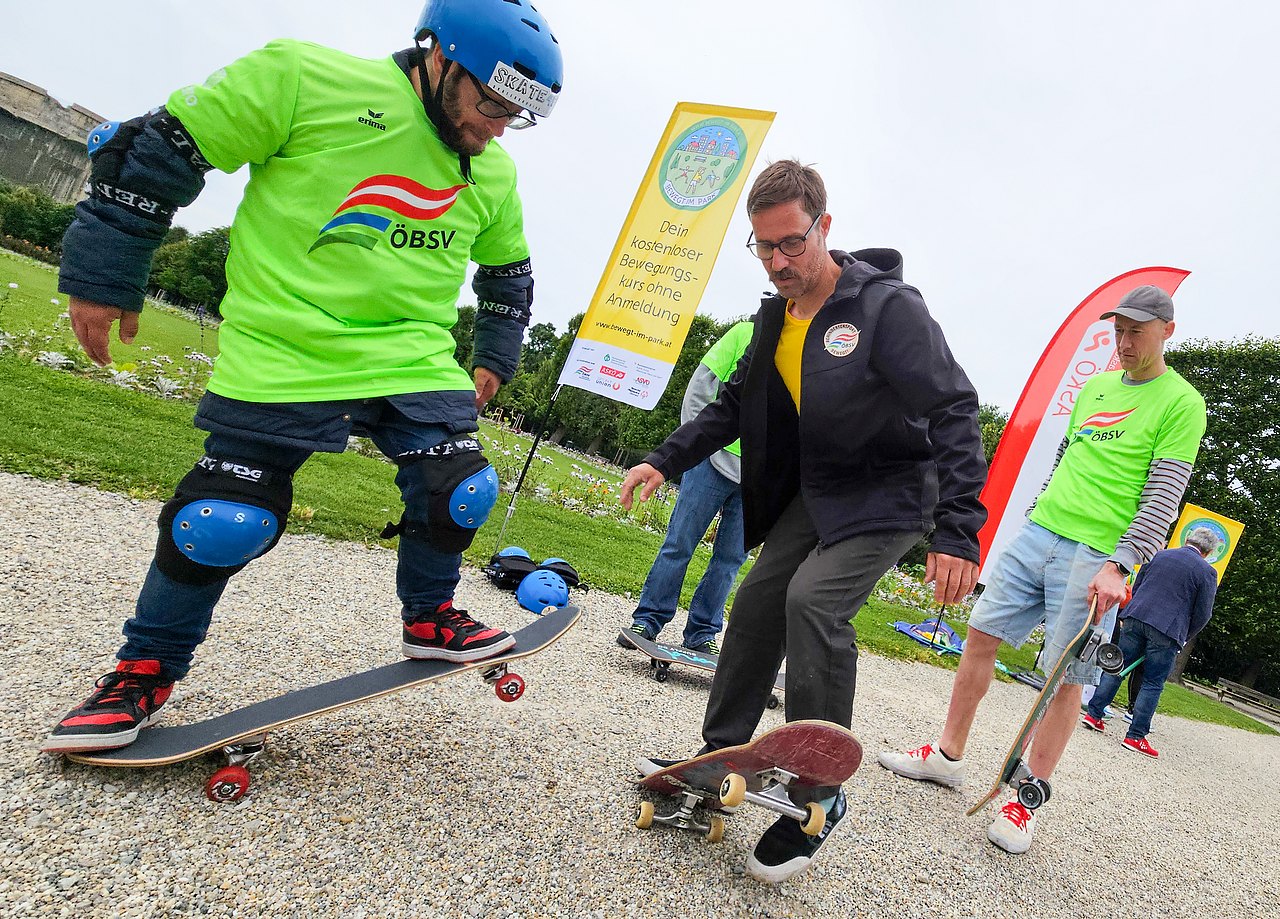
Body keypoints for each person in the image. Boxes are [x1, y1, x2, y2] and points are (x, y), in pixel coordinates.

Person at [42, 0, 564, 753]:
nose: (498, 127)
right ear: (440, 56)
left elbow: (510, 274)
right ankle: (142, 669)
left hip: (411, 354)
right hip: (287, 347)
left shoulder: (494, 169)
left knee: (462, 486)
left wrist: (495, 355)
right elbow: (157, 146)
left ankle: (431, 616)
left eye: (518, 115)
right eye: (491, 103)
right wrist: (105, 267)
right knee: (223, 520)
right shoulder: (301, 78)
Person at [620, 160, 987, 883]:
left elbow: (953, 407)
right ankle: (718, 753)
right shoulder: (773, 318)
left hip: (889, 496)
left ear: (825, 226)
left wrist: (958, 528)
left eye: (792, 242)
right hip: (819, 495)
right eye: (764, 246)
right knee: (756, 602)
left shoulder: (887, 309)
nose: (779, 261)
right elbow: (731, 406)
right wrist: (665, 459)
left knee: (811, 601)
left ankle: (822, 791)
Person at [880, 285, 1207, 854]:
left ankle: (1024, 800)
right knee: (980, 634)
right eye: (1118, 330)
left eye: (1137, 331)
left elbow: (1164, 494)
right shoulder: (1097, 387)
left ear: (1166, 331)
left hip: (1096, 555)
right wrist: (1035, 516)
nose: (1124, 342)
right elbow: (1067, 461)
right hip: (1041, 533)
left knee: (1066, 678)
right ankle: (949, 755)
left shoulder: (1182, 402)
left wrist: (1121, 564)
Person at [618, 320, 754, 655]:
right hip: (710, 460)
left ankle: (702, 634)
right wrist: (695, 446)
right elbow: (699, 391)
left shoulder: (807, 347)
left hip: (757, 474)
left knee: (730, 560)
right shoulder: (744, 333)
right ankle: (648, 620)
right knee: (679, 543)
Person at [1081, 527, 1219, 756]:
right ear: (1209, 551)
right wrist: (1184, 635)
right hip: (1167, 630)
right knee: (1153, 683)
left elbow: (1138, 585)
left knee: (1117, 667)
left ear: (1187, 540)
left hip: (1136, 617)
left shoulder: (1159, 554)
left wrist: (1134, 611)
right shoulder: (1207, 572)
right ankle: (1135, 736)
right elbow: (1204, 613)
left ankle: (1094, 714)